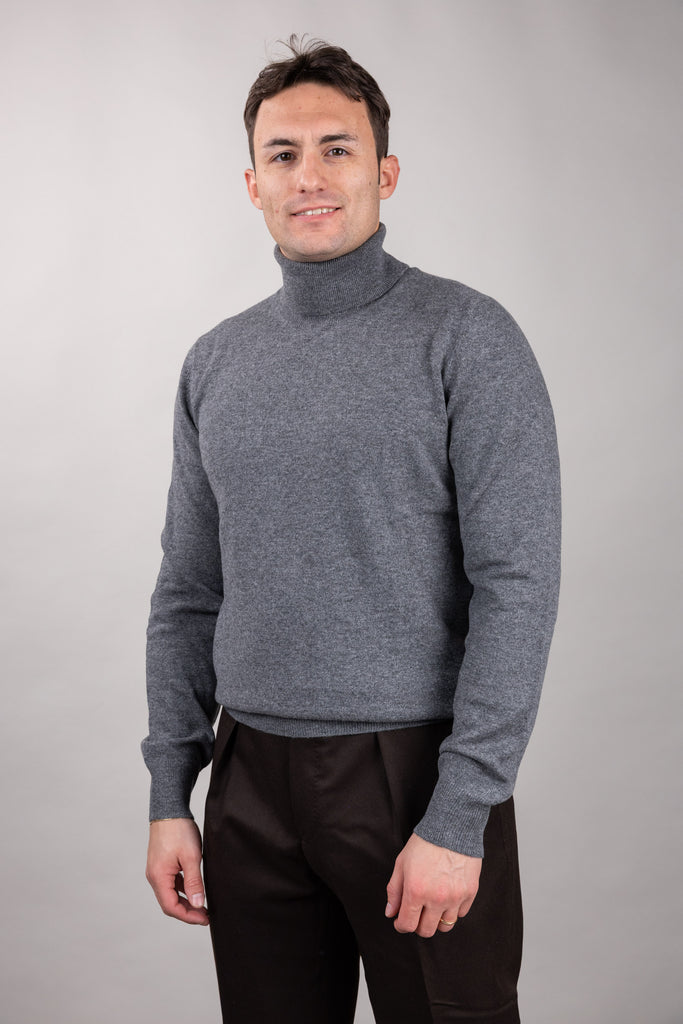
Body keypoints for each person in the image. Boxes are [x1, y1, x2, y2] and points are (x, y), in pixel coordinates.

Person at [143, 36, 561, 1024]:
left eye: (337, 148)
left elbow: (517, 583)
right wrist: (171, 794)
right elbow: (188, 590)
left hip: (411, 772)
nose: (310, 176)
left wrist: (460, 810)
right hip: (247, 777)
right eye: (283, 154)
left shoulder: (466, 337)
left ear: (386, 171)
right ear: (252, 184)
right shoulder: (216, 361)